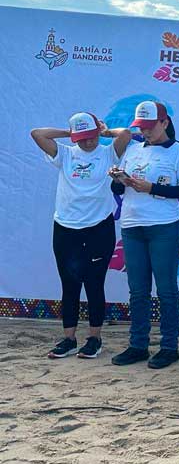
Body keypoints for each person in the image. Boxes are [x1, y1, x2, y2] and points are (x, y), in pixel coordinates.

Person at [32, 112, 131, 359]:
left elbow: (126, 134)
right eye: (83, 137)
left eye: (92, 136)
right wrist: (71, 133)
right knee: (69, 284)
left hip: (99, 227)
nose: (89, 141)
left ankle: (94, 338)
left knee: (94, 283)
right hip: (65, 227)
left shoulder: (108, 153)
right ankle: (69, 339)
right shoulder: (65, 154)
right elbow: (37, 134)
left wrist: (105, 132)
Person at [109, 101, 179, 369]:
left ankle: (169, 347)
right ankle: (138, 344)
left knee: (166, 289)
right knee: (138, 290)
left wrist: (152, 188)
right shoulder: (133, 149)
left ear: (164, 123)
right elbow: (118, 190)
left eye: (149, 126)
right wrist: (118, 179)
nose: (145, 131)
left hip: (164, 227)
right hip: (132, 226)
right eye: (141, 127)